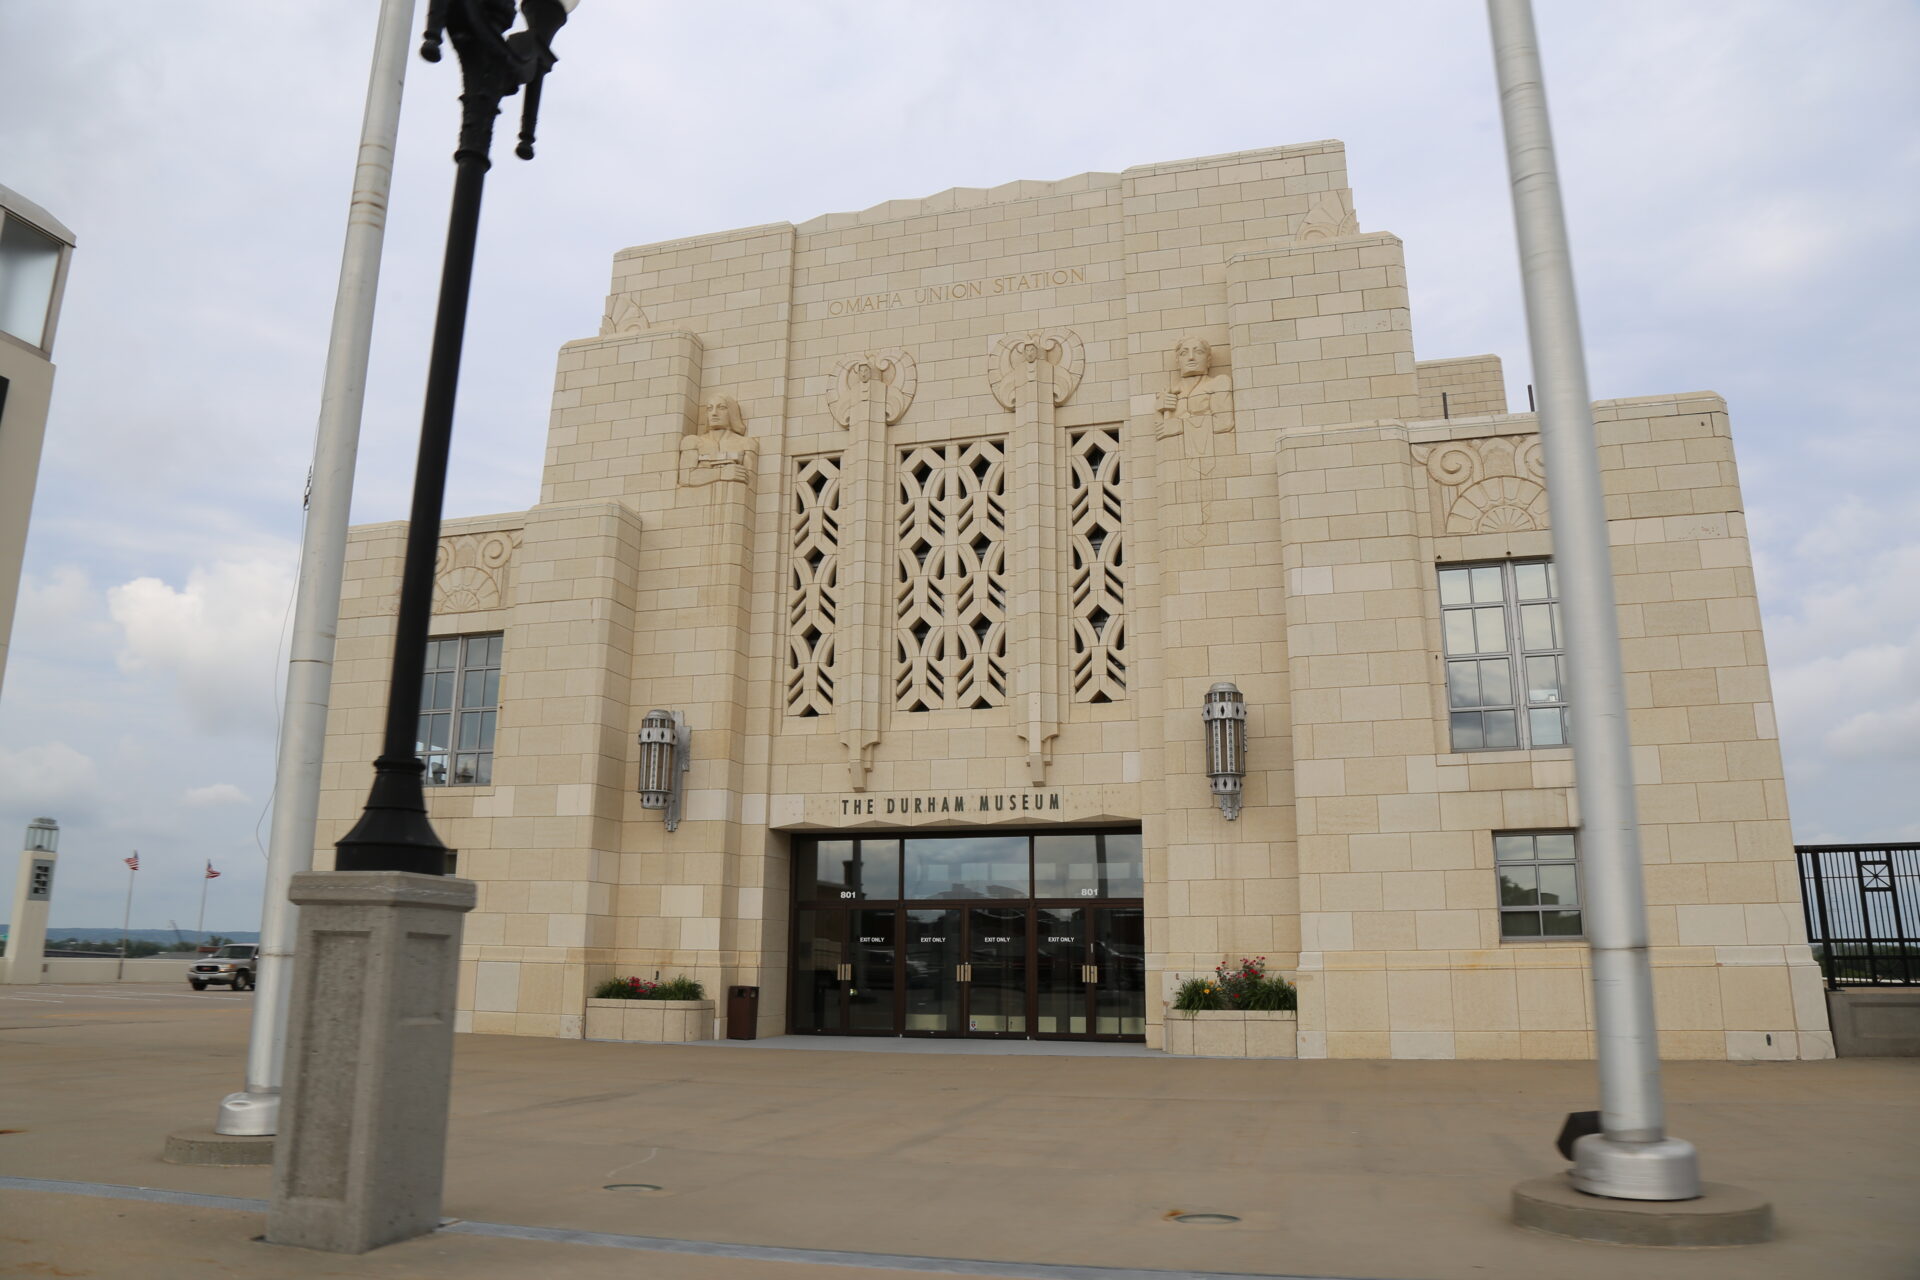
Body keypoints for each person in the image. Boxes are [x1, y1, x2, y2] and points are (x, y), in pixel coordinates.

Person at [1153, 336, 1234, 457]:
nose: (1191, 357)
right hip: (1175, 459)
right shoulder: (1170, 392)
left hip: (1213, 457)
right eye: (1184, 353)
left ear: (1208, 360)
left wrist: (1180, 426)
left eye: (1198, 352)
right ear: (1178, 361)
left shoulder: (1218, 383)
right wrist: (1159, 410)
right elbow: (1161, 432)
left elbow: (1225, 423)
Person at [679, 393, 757, 489]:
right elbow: (685, 478)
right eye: (709, 408)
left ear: (732, 412)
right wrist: (721, 473)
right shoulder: (692, 441)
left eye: (722, 408)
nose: (714, 413)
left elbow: (748, 483)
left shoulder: (746, 443)